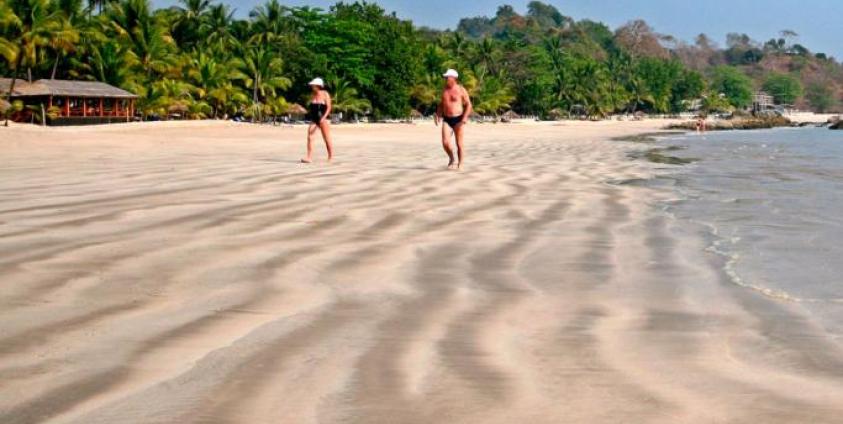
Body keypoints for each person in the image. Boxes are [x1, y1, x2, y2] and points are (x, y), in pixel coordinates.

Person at [434, 69, 473, 170]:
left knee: (459, 144)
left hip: (458, 119)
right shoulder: (444, 90)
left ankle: (461, 164)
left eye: (447, 77)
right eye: (445, 77)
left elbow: (469, 105)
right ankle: (452, 158)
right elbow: (441, 104)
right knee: (445, 142)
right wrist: (437, 114)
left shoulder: (461, 89)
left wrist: (464, 119)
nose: (445, 79)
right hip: (447, 119)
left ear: (454, 78)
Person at [301, 78, 334, 163]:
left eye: (313, 85)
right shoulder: (313, 94)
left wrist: (323, 118)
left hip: (323, 118)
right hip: (314, 119)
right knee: (310, 137)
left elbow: (329, 107)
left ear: (318, 86)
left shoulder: (325, 94)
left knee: (326, 138)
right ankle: (309, 157)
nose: (312, 86)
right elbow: (312, 109)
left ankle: (330, 156)